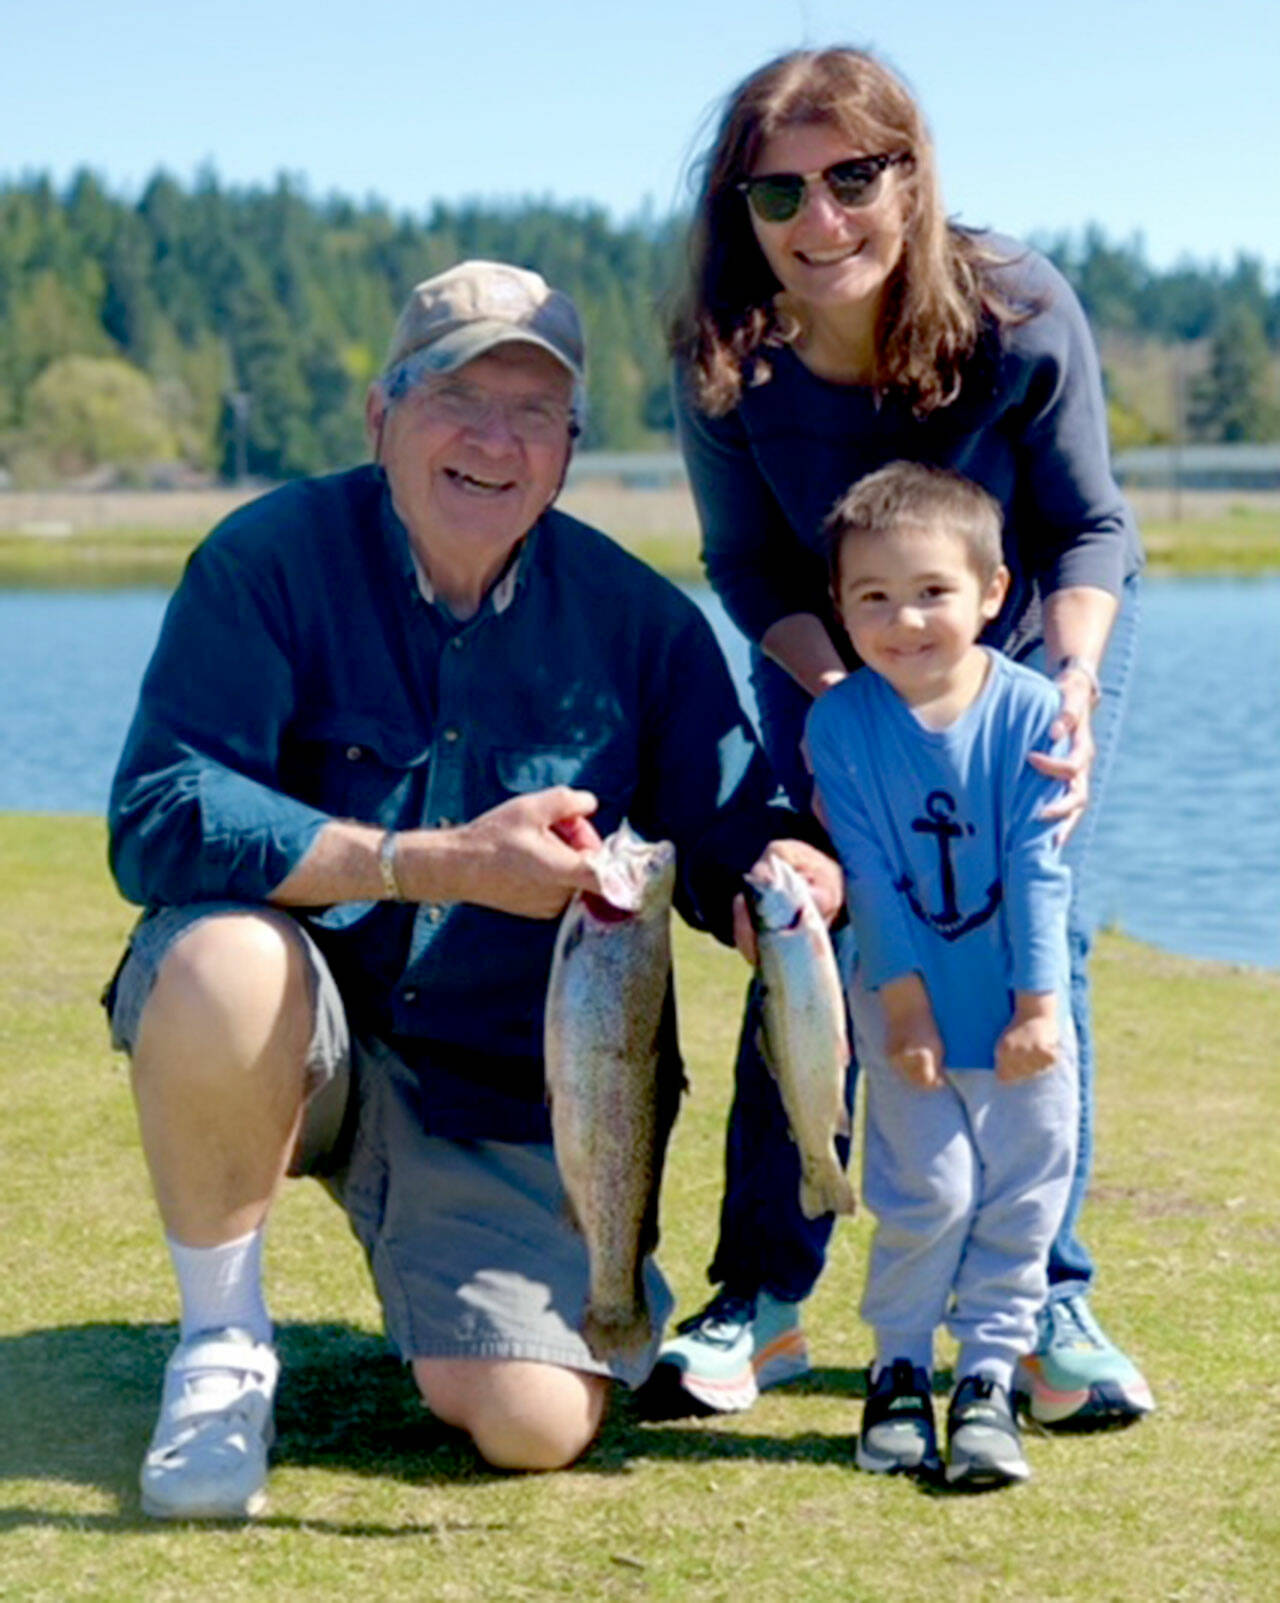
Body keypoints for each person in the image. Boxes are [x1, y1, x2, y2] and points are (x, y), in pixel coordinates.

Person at [102, 258, 840, 1520]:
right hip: (299, 1039)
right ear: (382, 414)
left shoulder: (639, 623)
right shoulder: (266, 560)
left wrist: (788, 867)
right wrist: (426, 862)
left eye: (534, 412)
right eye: (459, 396)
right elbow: (158, 813)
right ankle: (222, 1346)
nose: (493, 440)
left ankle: (444, 1265)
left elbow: (725, 835)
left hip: (509, 1084)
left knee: (533, 1425)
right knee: (225, 957)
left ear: (567, 449)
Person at [651, 45, 1151, 1430]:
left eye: (853, 178)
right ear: (738, 211)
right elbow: (749, 568)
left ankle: (1043, 1301)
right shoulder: (727, 361)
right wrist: (840, 713)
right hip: (828, 669)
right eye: (778, 192)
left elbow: (1092, 524)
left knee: (1024, 938)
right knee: (809, 928)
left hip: (1025, 662)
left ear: (910, 176)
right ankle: (764, 1295)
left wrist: (1071, 690)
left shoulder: (1022, 309)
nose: (820, 221)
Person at [807, 461, 1078, 1487]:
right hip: (905, 1004)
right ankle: (898, 1369)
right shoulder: (840, 728)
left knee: (1016, 1196)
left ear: (992, 593)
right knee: (926, 1191)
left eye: (930, 591)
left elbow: (1036, 867)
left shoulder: (1031, 713)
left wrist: (1038, 1006)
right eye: (870, 596)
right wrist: (904, 1009)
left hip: (1020, 1006)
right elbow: (869, 873)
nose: (903, 619)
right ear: (836, 606)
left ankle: (990, 1379)